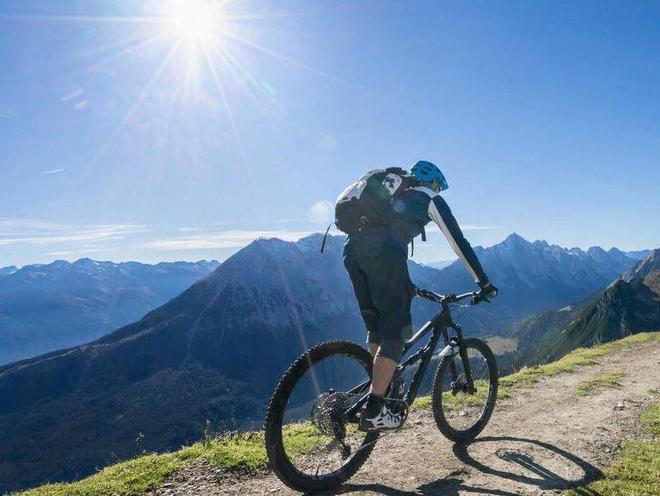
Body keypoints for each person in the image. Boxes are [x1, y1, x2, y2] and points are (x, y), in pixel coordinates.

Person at [339, 160, 498, 431]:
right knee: (396, 332)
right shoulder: (428, 197)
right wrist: (483, 282)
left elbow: (384, 235)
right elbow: (458, 241)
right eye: (438, 187)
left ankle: (383, 387)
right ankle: (375, 407)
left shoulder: (391, 195)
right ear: (434, 183)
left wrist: (407, 284)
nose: (438, 191)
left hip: (352, 251)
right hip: (384, 255)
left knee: (376, 326)